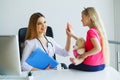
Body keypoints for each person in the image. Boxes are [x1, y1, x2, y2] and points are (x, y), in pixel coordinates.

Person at [67, 7, 109, 71]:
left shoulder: (91, 31)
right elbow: (84, 43)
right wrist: (72, 35)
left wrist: (85, 54)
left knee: (70, 66)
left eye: (82, 17)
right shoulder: (98, 30)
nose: (81, 20)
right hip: (101, 65)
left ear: (88, 18)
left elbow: (98, 48)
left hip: (91, 65)